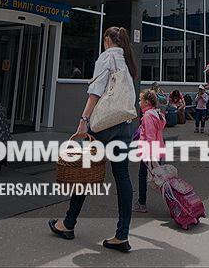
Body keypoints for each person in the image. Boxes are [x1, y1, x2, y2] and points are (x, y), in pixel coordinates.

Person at [48, 26, 138, 253]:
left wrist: (83, 120)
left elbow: (95, 92)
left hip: (104, 125)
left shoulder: (107, 57)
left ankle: (68, 223)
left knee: (84, 171)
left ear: (107, 40)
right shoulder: (127, 61)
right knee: (123, 177)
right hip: (124, 124)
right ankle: (122, 235)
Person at [134, 89, 166, 214]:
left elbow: (150, 136)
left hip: (149, 152)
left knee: (144, 176)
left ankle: (142, 203)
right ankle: (173, 200)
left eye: (140, 100)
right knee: (160, 178)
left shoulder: (147, 116)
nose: (139, 102)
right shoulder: (157, 114)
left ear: (147, 102)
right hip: (158, 149)